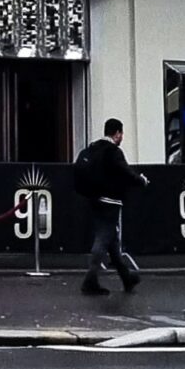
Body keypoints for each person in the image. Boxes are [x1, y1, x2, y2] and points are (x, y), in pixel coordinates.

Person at [74, 116, 147, 296]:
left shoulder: (93, 148)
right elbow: (125, 171)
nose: (122, 137)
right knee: (104, 237)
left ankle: (126, 278)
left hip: (94, 199)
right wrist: (141, 180)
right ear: (117, 133)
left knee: (112, 240)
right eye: (121, 134)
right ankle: (90, 280)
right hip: (111, 200)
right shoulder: (112, 151)